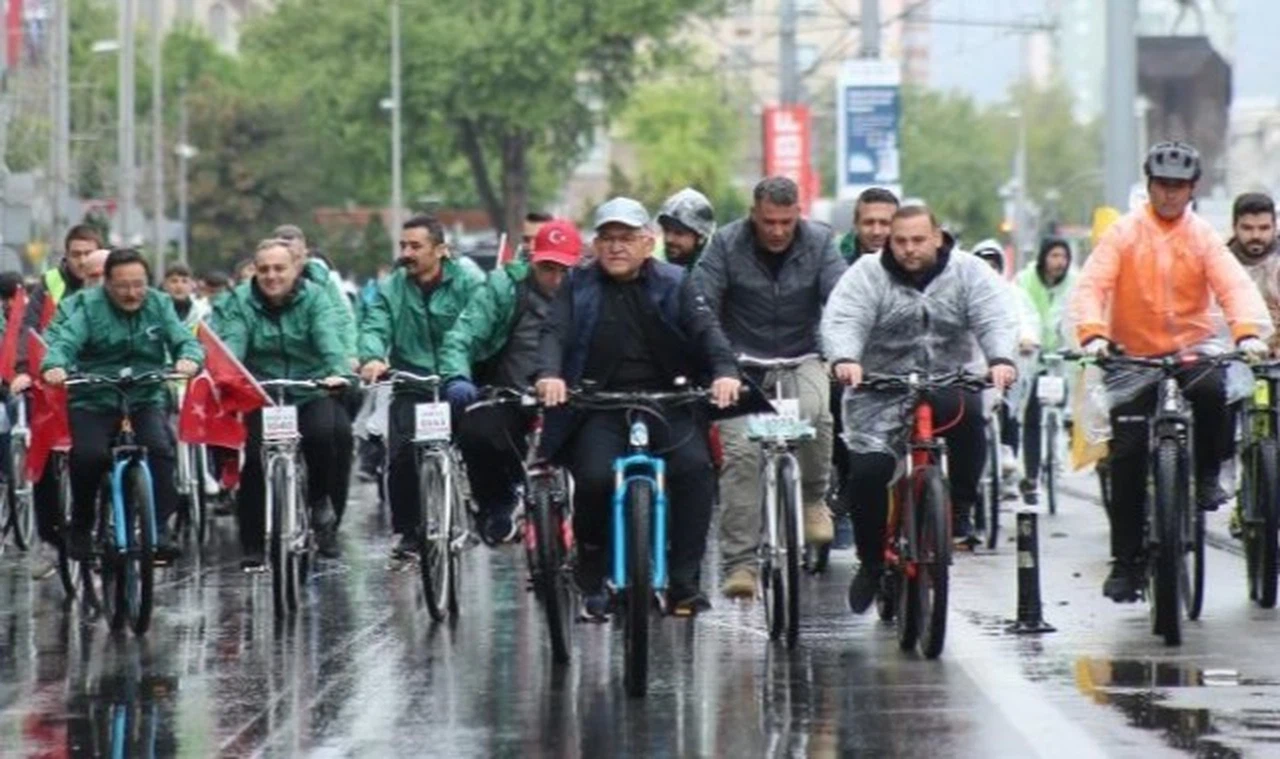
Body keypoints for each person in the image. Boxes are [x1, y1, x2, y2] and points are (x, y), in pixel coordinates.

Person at [1068, 141, 1271, 603]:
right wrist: (1093, 334)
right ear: (1150, 185)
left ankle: (1205, 475)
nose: (1170, 194)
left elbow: (1234, 286)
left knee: (1214, 392)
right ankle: (1126, 563)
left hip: (1191, 351)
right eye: (1162, 185)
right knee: (1126, 456)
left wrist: (1246, 333)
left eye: (1179, 186)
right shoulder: (1124, 233)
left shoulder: (1202, 236)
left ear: (1192, 188)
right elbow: (1092, 287)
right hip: (1132, 355)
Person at [536, 197, 742, 617]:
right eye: (608, 238)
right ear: (595, 245)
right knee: (594, 478)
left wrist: (725, 372)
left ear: (648, 243)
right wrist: (550, 375)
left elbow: (707, 331)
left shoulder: (676, 282)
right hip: (599, 403)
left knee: (694, 470)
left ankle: (684, 581)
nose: (616, 247)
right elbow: (554, 332)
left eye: (627, 238)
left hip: (668, 399)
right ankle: (592, 563)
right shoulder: (577, 284)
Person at [821, 204, 1018, 613]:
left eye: (918, 240)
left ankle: (959, 510)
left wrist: (1000, 358)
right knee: (868, 473)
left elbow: (994, 316)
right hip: (878, 387)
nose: (909, 249)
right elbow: (844, 319)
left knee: (970, 418)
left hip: (948, 379)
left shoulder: (968, 271)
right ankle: (871, 562)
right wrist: (845, 358)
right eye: (900, 241)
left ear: (937, 238)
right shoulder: (866, 274)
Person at [693, 176, 846, 598]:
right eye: (768, 222)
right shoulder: (725, 244)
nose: (777, 231)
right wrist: (720, 365)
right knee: (741, 454)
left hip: (802, 355)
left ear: (798, 214)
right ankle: (741, 564)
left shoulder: (820, 242)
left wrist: (841, 352)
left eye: (785, 222)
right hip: (739, 365)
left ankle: (812, 501)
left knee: (817, 414)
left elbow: (841, 301)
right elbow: (702, 306)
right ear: (753, 215)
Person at [41, 248, 204, 561]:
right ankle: (83, 522)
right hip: (94, 397)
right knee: (88, 456)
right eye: (123, 286)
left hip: (144, 396)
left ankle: (159, 527)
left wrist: (188, 358)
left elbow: (184, 339)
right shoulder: (88, 307)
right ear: (107, 284)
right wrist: (54, 365)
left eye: (139, 284)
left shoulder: (159, 304)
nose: (132, 293)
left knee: (160, 450)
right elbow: (64, 342)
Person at [439, 219, 582, 544]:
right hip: (511, 394)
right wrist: (457, 377)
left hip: (574, 397)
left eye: (564, 271)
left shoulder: (590, 291)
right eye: (547, 269)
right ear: (532, 260)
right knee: (477, 432)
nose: (556, 279)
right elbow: (463, 335)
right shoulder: (504, 287)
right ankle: (496, 506)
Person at [211, 238, 353, 565]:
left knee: (323, 436)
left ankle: (319, 501)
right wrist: (229, 375)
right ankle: (252, 543)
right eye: (264, 269)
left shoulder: (315, 298)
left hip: (311, 387)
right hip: (264, 393)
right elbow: (234, 343)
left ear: (295, 269)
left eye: (279, 268)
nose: (271, 276)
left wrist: (336, 372)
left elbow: (329, 340)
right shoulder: (240, 301)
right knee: (256, 460)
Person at [358, 214, 483, 560]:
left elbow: (481, 324)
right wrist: (372, 356)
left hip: (459, 381)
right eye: (403, 246)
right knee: (400, 457)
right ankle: (408, 531)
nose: (407, 253)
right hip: (411, 384)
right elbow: (375, 324)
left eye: (416, 246)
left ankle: (480, 505)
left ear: (440, 250)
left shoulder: (469, 281)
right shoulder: (392, 287)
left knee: (481, 441)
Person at [11, 224, 100, 579]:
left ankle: (120, 522)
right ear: (66, 255)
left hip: (101, 385)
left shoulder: (118, 278)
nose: (82, 261)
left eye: (88, 254)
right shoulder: (49, 284)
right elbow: (29, 331)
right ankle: (49, 539)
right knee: (46, 455)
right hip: (54, 382)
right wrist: (22, 370)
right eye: (76, 254)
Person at [970, 239, 1041, 501]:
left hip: (1002, 365)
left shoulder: (1012, 294)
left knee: (1008, 406)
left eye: (993, 265)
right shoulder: (965, 292)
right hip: (970, 368)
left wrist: (1027, 339)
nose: (988, 271)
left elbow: (1024, 320)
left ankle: (1008, 454)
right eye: (982, 265)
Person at [1015, 237, 1077, 504]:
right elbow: (1019, 312)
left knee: (1065, 408)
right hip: (1034, 357)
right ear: (1043, 257)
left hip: (1062, 357)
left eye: (1064, 257)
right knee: (1032, 416)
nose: (1059, 262)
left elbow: (1079, 315)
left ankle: (1058, 454)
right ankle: (1031, 475)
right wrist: (1026, 340)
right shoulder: (1024, 280)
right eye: (1054, 256)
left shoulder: (1075, 282)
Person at [273, 224, 358, 366]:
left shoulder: (323, 282)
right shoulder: (260, 285)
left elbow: (342, 317)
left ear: (305, 254)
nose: (293, 264)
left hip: (316, 363)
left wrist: (350, 354)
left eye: (297, 257)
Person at [1228, 192, 1280, 352]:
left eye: (1264, 228)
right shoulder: (1217, 261)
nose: (1256, 235)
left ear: (1275, 227)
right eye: (1247, 228)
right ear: (1234, 227)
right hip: (1228, 353)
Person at [656, 188, 716, 269]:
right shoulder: (656, 269)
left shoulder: (717, 272)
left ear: (700, 237)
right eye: (666, 230)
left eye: (679, 233)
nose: (669, 239)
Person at [839, 186, 900, 263]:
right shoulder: (840, 269)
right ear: (856, 223)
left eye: (885, 223)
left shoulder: (911, 268)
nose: (876, 232)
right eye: (868, 223)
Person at [161, 263, 211, 330]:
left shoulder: (202, 311)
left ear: (192, 285)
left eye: (184, 281)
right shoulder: (157, 310)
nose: (179, 286)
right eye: (174, 281)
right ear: (165, 285)